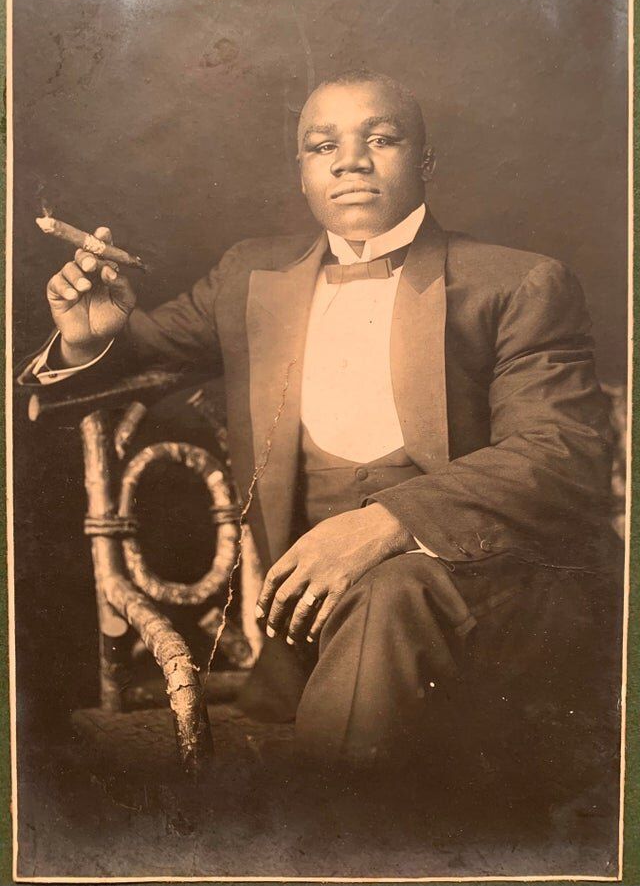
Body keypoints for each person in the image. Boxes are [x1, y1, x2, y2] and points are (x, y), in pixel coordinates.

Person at [21, 71, 619, 778]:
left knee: (396, 589)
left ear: (426, 163)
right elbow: (136, 354)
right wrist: (87, 340)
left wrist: (389, 520)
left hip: (493, 616)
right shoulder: (250, 278)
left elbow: (561, 453)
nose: (350, 160)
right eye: (321, 145)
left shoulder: (518, 282)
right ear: (302, 172)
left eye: (382, 138)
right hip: (305, 652)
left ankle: (321, 830)